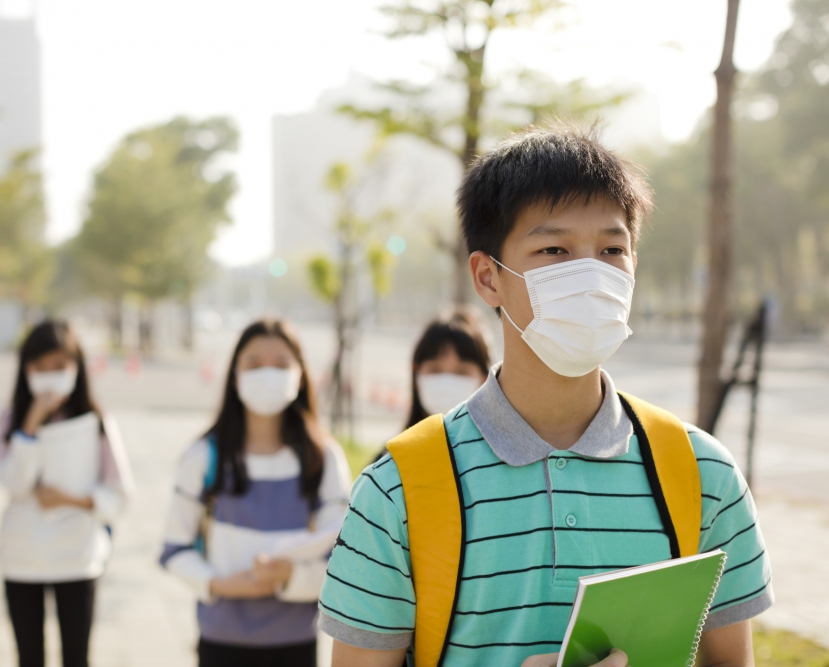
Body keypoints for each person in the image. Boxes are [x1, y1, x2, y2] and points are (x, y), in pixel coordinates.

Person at [318, 126, 773, 667]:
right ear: (488, 278)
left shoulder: (704, 474)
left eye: (612, 249)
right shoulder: (397, 489)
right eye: (554, 249)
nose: (590, 274)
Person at [160, 319, 351, 667]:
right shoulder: (203, 457)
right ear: (235, 376)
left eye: (281, 365)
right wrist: (219, 583)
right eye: (254, 364)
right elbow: (174, 549)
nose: (267, 375)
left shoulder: (323, 458)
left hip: (296, 639)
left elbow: (343, 559)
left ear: (300, 376)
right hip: (220, 638)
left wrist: (290, 577)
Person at [0, 320, 134, 667]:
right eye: (40, 367)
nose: (49, 376)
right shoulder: (11, 420)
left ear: (77, 367)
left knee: (76, 655)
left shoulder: (96, 421)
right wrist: (31, 423)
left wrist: (72, 500)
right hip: (22, 556)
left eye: (59, 366)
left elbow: (120, 495)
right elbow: (13, 482)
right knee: (29, 656)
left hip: (77, 556)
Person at [404, 309, 491, 429]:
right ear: (416, 374)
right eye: (435, 370)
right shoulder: (398, 442)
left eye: (461, 372)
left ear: (484, 379)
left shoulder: (503, 442)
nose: (447, 381)